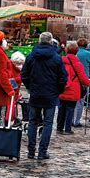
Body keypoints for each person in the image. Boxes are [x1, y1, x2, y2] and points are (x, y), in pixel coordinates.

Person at [21, 32, 67, 160]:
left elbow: (24, 74)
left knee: (32, 122)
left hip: (36, 93)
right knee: (47, 123)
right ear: (51, 42)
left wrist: (30, 87)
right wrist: (58, 90)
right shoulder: (56, 58)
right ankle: (42, 152)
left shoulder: (31, 56)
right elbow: (63, 77)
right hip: (50, 94)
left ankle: (31, 151)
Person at [57, 43, 90, 134]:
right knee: (70, 109)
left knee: (61, 108)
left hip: (62, 88)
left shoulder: (61, 61)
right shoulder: (77, 63)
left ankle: (59, 128)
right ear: (76, 51)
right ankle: (68, 129)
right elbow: (83, 78)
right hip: (73, 90)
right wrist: (89, 82)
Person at [73, 38, 90, 127]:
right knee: (80, 100)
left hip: (73, 78)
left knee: (72, 100)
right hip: (84, 79)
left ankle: (70, 120)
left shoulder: (75, 53)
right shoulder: (89, 54)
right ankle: (77, 121)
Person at [9, 51, 26, 123]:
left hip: (16, 91)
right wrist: (19, 79)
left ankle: (14, 118)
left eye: (21, 64)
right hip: (10, 91)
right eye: (18, 63)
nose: (19, 65)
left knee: (15, 105)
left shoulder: (22, 67)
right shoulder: (9, 66)